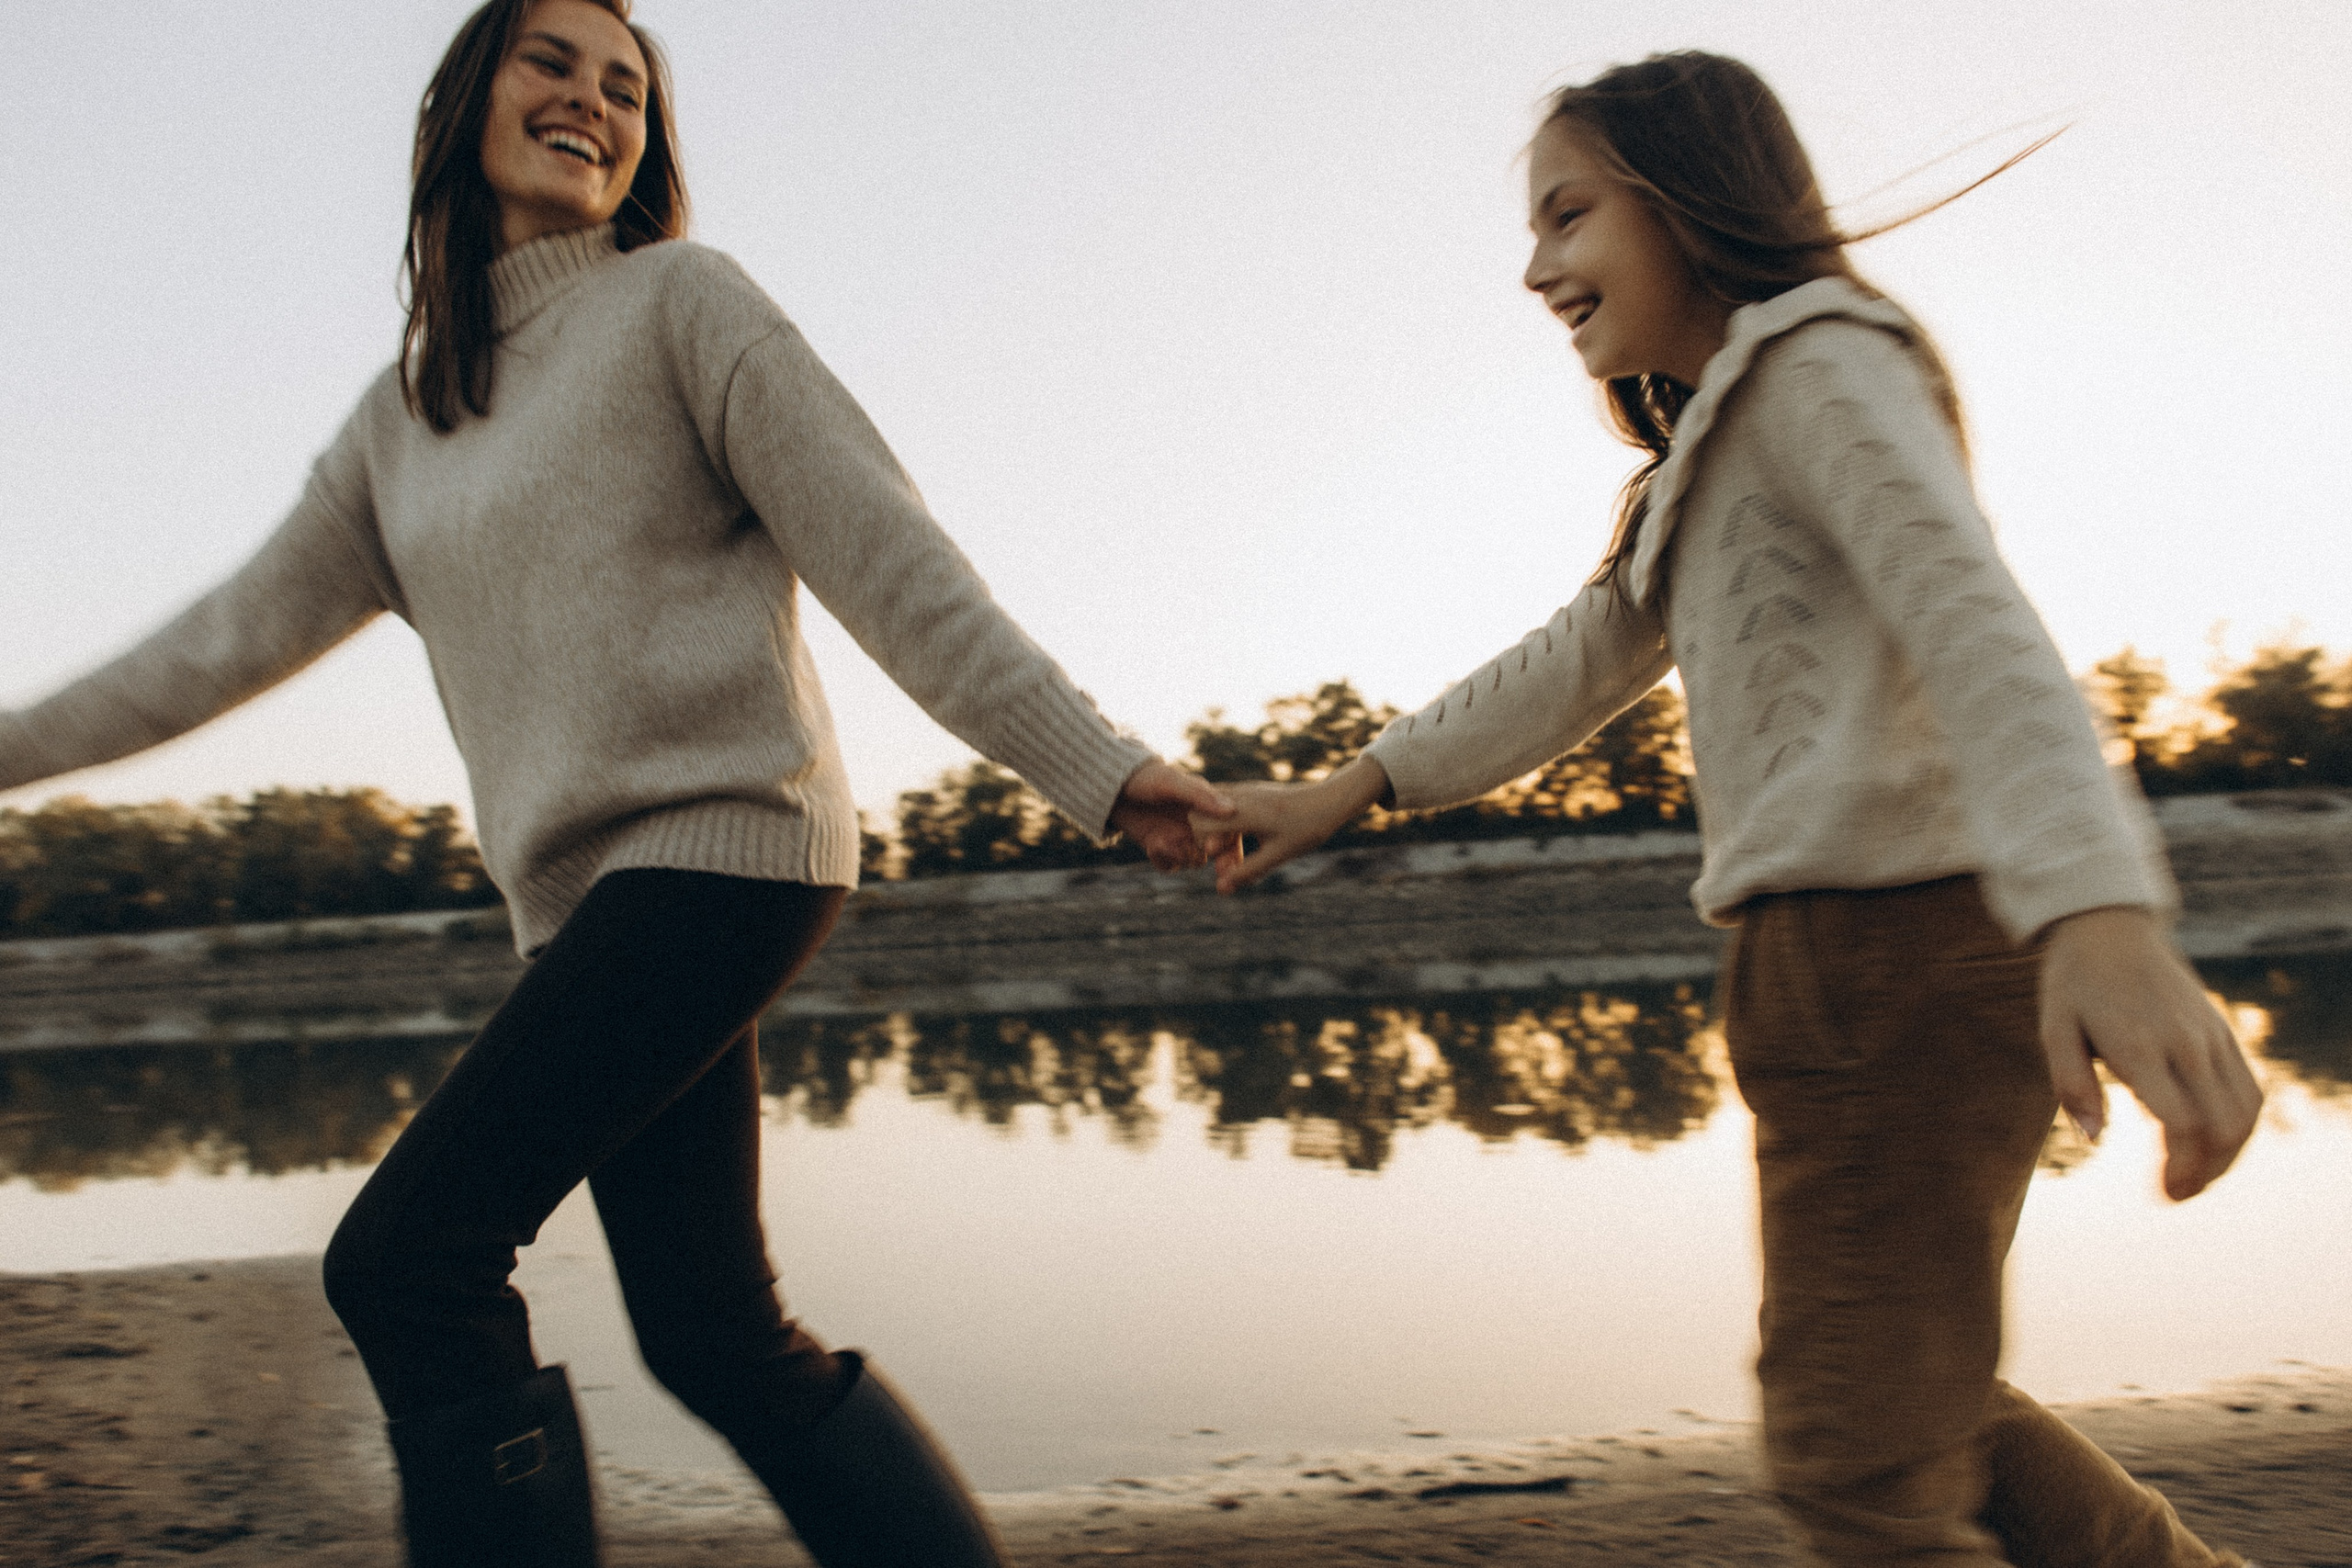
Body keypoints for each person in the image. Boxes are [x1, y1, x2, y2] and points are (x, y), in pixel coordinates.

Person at [0, 1, 1228, 1563]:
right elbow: (206, 650)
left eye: (629, 87)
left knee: (411, 1260)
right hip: (598, 911)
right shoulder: (399, 427)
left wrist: (1101, 773)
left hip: (734, 857)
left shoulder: (683, 308)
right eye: (553, 62)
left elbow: (894, 566)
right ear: (468, 104)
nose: (595, 100)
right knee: (712, 1331)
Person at [1192, 51, 2263, 1568]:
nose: (1535, 264)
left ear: (1689, 196)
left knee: (1856, 1475)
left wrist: (2100, 910)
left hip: (1909, 953)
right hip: (1816, 977)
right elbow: (1570, 663)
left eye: (1568, 215)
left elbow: (1974, 618)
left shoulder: (1818, 360)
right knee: (1903, 1404)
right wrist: (1347, 786)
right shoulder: (1704, 455)